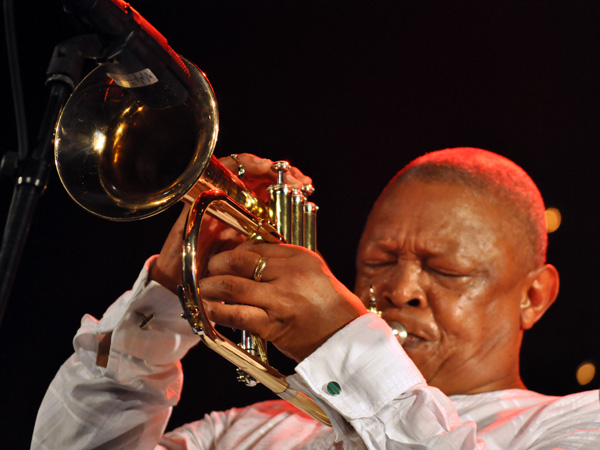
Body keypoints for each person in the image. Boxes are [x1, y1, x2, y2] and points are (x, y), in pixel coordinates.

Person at [31, 148, 599, 449]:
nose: (399, 290)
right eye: (378, 262)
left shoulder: (577, 425)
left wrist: (343, 344)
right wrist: (169, 295)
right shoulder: (245, 432)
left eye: (445, 271)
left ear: (534, 296)